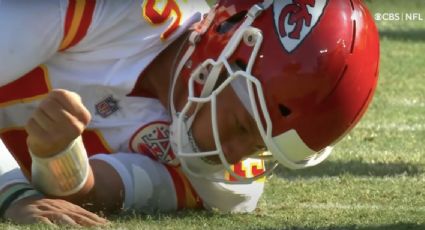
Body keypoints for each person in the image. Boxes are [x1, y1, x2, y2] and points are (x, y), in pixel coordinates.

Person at [0, 0, 380, 227]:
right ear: (223, 43)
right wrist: (11, 189)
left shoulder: (232, 182)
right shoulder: (119, 12)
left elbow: (90, 192)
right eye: (242, 126)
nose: (232, 154)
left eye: (261, 146)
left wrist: (58, 156)